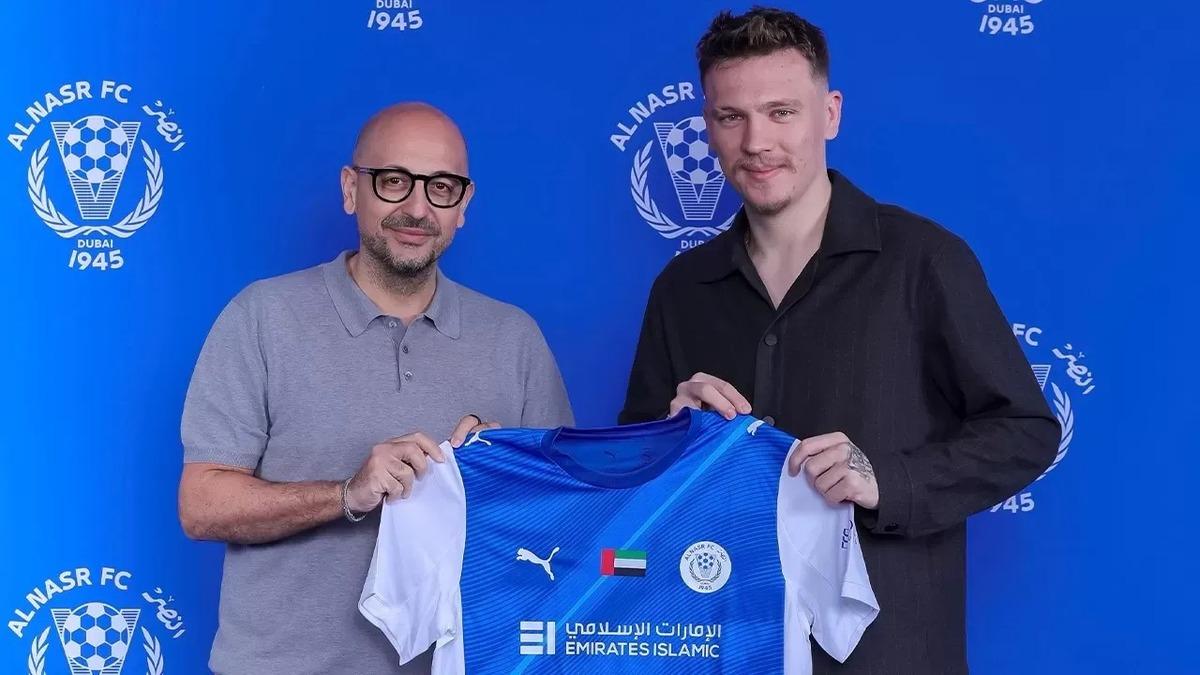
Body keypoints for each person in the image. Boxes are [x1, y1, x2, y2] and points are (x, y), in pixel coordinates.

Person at [619, 8, 1059, 673]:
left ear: (829, 114)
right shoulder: (681, 288)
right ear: (707, 126)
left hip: (890, 653)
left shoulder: (924, 260)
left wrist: (888, 479)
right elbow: (633, 479)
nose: (756, 141)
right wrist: (670, 436)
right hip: (728, 644)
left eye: (781, 112)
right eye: (732, 116)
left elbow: (1025, 431)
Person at [178, 102, 573, 674]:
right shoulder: (262, 317)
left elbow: (562, 523)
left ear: (463, 206)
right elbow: (201, 506)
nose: (417, 208)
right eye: (393, 181)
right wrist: (348, 493)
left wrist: (500, 472)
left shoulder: (514, 338)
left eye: (441, 187)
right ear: (351, 189)